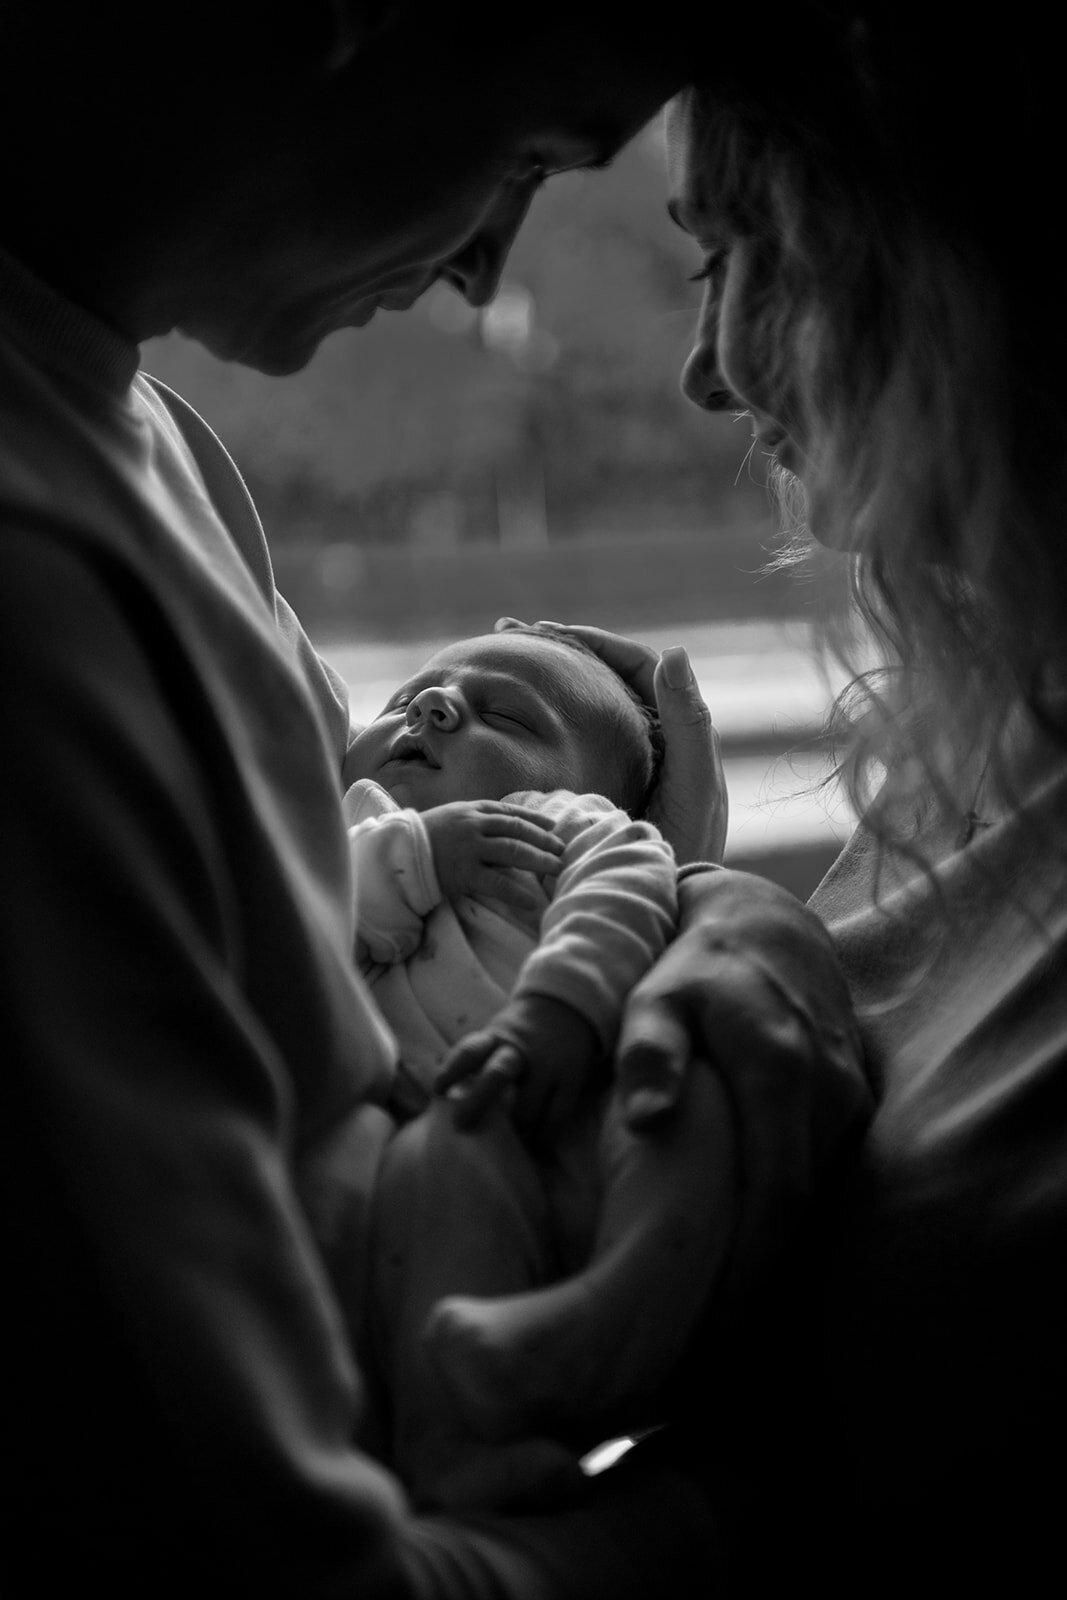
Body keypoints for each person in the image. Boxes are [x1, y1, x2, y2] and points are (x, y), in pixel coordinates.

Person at [0, 4, 872, 1596]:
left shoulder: (140, 437)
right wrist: (786, 1491)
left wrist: (651, 896)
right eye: (527, 153)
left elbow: (315, 932)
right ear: (348, 13)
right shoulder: (43, 575)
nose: (483, 270)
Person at [540, 8, 1063, 1594]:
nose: (704, 369)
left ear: (955, 250)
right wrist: (684, 902)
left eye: (740, 248)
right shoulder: (981, 738)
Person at [339, 623, 736, 1506]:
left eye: (505, 718)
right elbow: (291, 917)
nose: (432, 707)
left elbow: (626, 890)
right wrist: (414, 855)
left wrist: (562, 1007)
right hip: (378, 1124)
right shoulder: (340, 832)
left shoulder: (567, 828)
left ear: (587, 791)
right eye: (405, 700)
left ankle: (461, 1450)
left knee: (467, 1227)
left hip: (522, 1109)